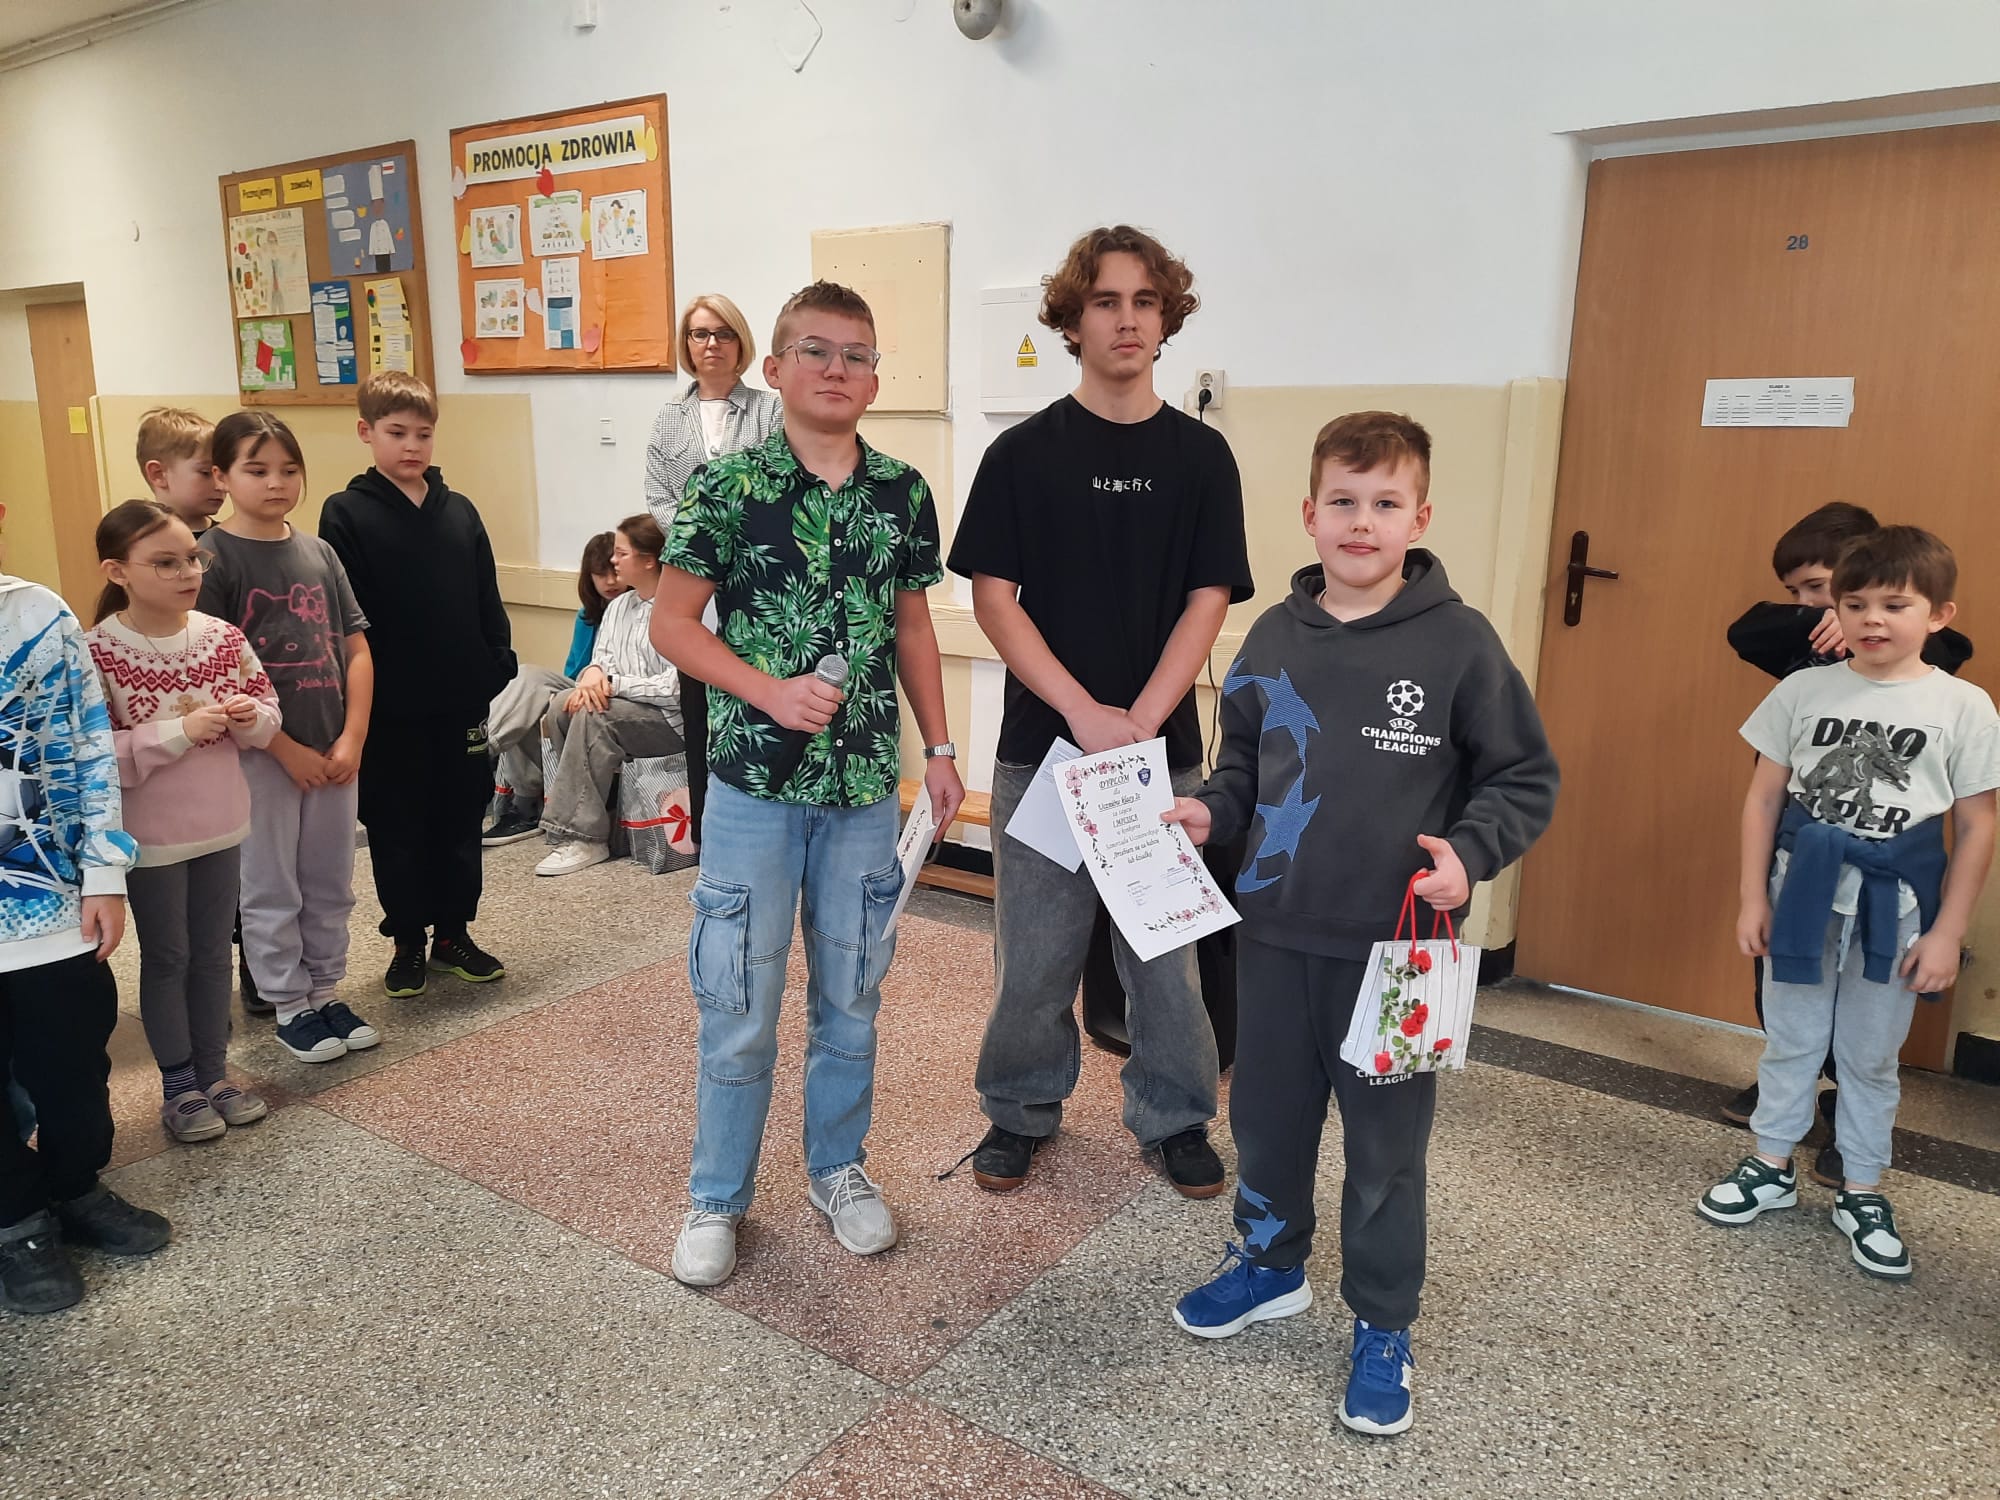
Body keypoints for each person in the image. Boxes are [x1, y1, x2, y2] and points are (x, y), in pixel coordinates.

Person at [1163, 412, 1558, 1437]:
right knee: (1266, 1121)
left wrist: (1468, 853)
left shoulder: (1459, 644)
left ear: (1418, 519)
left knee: (1384, 1149)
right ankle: (1269, 1263)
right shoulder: (1271, 636)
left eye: (1385, 503)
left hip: (1398, 951)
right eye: (1342, 501)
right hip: (1273, 934)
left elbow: (1521, 776)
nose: (1361, 521)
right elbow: (1243, 767)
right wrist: (1211, 811)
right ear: (1309, 513)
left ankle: (1383, 1321)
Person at [651, 280, 962, 1288]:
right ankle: (716, 1196)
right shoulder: (726, 488)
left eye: (856, 355)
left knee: (852, 994)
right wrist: (768, 692)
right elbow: (672, 626)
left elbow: (913, 627)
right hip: (753, 783)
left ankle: (837, 1170)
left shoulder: (902, 493)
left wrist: (941, 749)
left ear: (874, 378)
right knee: (738, 997)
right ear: (775, 368)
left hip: (864, 786)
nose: (837, 369)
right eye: (816, 351)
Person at [945, 225, 1253, 1197]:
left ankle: (1175, 1115)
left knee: (1164, 951)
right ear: (1071, 321)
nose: (1127, 319)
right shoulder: (1022, 455)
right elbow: (994, 597)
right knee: (1034, 956)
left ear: (1167, 319)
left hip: (1159, 757)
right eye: (1106, 301)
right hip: (1044, 750)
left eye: (1144, 302)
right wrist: (1082, 712)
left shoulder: (1202, 458)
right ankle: (1017, 1110)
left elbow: (1208, 597)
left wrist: (1141, 720)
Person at [1700, 525, 1998, 1281]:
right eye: (1855, 603)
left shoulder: (1963, 705)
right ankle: (1770, 1163)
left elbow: (1978, 824)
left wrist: (1947, 932)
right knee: (1792, 1036)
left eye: (1895, 605)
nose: (1872, 620)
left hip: (1896, 903)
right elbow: (1763, 799)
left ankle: (1862, 1187)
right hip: (1801, 889)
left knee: (1870, 1053)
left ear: (1939, 614)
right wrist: (1751, 899)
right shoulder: (1803, 690)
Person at [0, 501, 167, 1317]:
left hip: (48, 905)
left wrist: (105, 873)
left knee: (72, 1064)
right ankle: (17, 1222)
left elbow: (87, 747)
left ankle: (75, 1187)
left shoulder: (38, 616)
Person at [87, 500, 280, 1141]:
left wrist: (253, 719)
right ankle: (179, 1086)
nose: (187, 573)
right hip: (152, 837)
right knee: (169, 956)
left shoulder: (223, 637)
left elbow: (268, 712)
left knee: (214, 955)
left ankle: (214, 1074)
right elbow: (95, 755)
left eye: (193, 559)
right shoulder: (97, 651)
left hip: (222, 821)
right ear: (118, 571)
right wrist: (178, 731)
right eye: (165, 563)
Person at [320, 372, 516, 999]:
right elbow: (347, 617)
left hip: (459, 698)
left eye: (423, 434)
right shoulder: (346, 513)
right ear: (366, 432)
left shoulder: (459, 511)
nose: (411, 446)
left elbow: (486, 593)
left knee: (459, 815)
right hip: (389, 707)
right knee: (398, 822)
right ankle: (407, 939)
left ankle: (453, 934)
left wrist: (497, 661)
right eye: (396, 432)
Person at [199, 412, 380, 1063]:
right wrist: (284, 749)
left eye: (288, 469)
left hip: (333, 752)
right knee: (271, 884)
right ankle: (287, 1004)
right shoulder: (212, 559)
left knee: (330, 880)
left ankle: (326, 990)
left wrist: (352, 736)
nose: (276, 483)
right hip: (261, 760)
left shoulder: (319, 553)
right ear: (221, 476)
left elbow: (355, 649)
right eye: (257, 470)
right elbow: (213, 675)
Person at [135, 407, 269, 1018]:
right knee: (180, 928)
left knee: (240, 883)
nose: (219, 482)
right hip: (165, 784)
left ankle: (255, 972)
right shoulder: (137, 561)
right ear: (159, 475)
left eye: (223, 469)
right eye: (205, 470)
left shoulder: (230, 545)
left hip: (231, 751)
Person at [644, 293, 782, 851]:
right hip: (693, 583)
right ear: (687, 344)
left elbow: (779, 486)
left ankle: (764, 833)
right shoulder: (669, 419)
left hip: (757, 579)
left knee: (755, 704)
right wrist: (703, 546)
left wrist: (736, 544)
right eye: (700, 334)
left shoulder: (770, 411)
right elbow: (659, 496)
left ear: (740, 342)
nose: (711, 344)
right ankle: (707, 839)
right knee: (700, 713)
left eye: (723, 333)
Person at [536, 514, 683, 876]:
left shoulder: (679, 608)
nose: (613, 562)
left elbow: (674, 688)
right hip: (625, 709)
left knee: (594, 715)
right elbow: (601, 660)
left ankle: (582, 837)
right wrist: (592, 675)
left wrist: (613, 684)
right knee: (561, 706)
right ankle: (598, 812)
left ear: (648, 560)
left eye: (621, 553)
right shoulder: (619, 607)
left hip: (670, 721)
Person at [482, 531, 626, 846]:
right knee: (526, 691)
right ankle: (524, 805)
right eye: (600, 574)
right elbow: (574, 672)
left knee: (531, 680)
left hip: (615, 694)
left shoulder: (639, 610)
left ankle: (479, 752)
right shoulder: (588, 616)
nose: (609, 581)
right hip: (579, 690)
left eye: (614, 572)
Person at [135, 406, 226, 535]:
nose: (221, 485)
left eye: (223, 473)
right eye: (206, 473)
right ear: (158, 474)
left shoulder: (228, 540)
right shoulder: (136, 539)